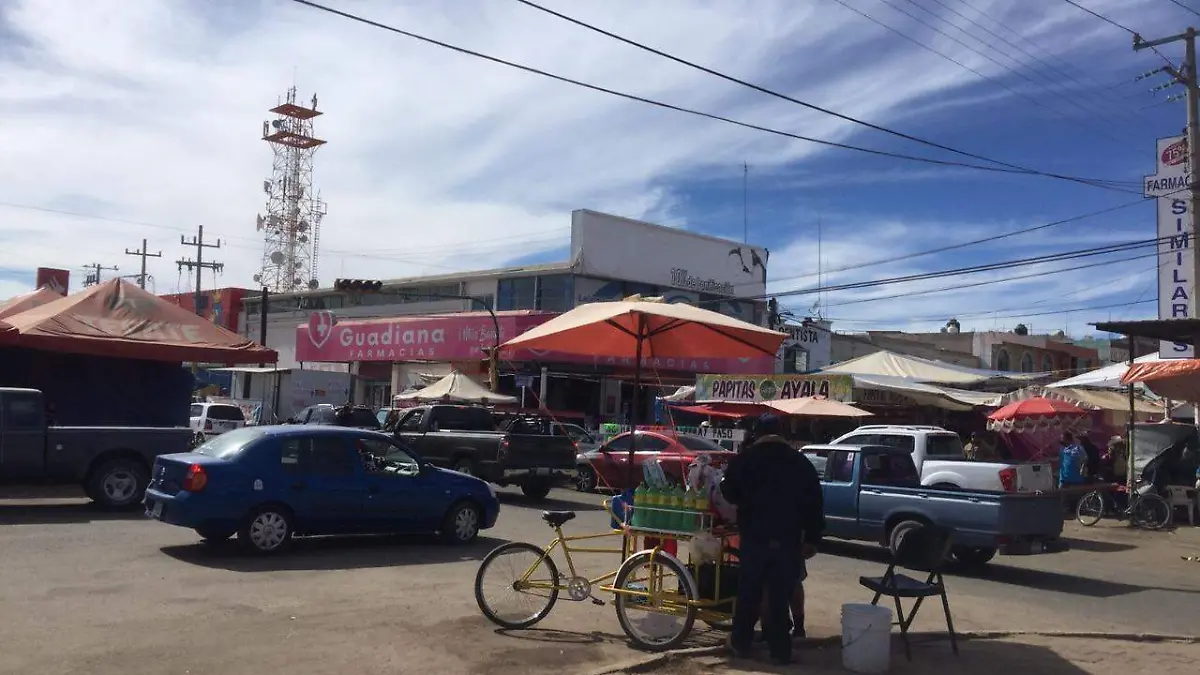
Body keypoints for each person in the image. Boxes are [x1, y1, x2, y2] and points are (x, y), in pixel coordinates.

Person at [721, 413, 825, 665]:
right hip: (787, 539)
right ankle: (780, 651)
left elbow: (727, 491)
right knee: (779, 595)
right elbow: (814, 502)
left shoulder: (745, 460)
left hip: (754, 537)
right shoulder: (800, 463)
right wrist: (812, 538)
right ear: (782, 434)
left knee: (749, 593)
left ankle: (741, 643)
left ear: (756, 434)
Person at [1058, 432, 1087, 510]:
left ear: (1067, 439)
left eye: (1062, 438)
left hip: (1076, 477)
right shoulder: (1062, 449)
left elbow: (1084, 459)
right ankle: (1061, 512)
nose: (1061, 440)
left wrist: (1082, 468)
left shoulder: (1078, 448)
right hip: (1064, 478)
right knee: (1061, 496)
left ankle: (1077, 510)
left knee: (1076, 497)